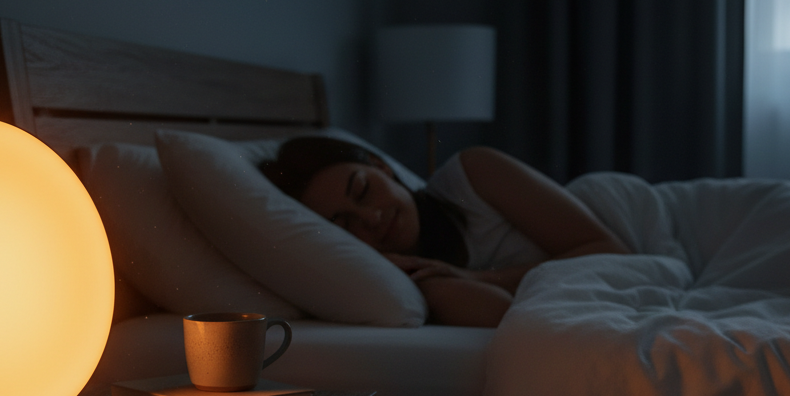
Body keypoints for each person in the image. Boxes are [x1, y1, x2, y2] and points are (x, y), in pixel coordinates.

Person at [260, 137, 629, 327]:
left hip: (649, 221)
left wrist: (475, 277)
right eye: (344, 225)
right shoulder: (417, 276)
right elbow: (499, 313)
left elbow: (610, 250)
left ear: (381, 166)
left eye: (363, 190)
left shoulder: (474, 173)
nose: (370, 219)